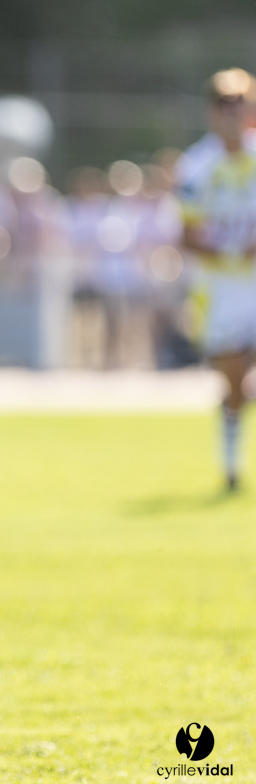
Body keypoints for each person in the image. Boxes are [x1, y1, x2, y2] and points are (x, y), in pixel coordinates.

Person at [176, 68, 256, 491]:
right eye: (225, 105)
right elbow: (186, 236)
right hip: (220, 291)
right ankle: (231, 466)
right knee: (235, 381)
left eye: (240, 103)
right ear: (212, 112)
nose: (234, 113)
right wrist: (231, 252)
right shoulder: (196, 167)